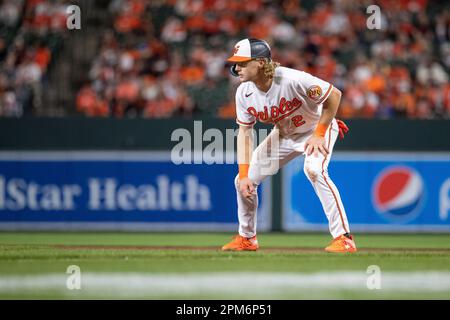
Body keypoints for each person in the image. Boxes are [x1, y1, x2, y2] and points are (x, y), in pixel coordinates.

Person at [222, 38, 357, 253]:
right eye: (236, 63)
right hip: (284, 135)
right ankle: (247, 238)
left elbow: (334, 95)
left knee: (314, 170)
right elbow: (245, 133)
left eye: (243, 62)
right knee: (242, 180)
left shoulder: (291, 79)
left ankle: (344, 238)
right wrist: (245, 172)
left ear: (261, 63)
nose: (236, 68)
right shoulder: (244, 93)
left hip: (316, 130)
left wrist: (320, 132)